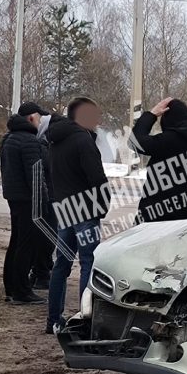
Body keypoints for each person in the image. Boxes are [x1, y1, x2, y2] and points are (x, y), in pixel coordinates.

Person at [47, 97, 110, 334]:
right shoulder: (82, 140)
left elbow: (51, 175)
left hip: (64, 208)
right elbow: (97, 178)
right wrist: (102, 206)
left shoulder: (55, 139)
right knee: (88, 264)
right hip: (85, 210)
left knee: (61, 264)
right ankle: (84, 321)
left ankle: (53, 319)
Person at [0, 103, 50, 305]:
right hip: (29, 200)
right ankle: (22, 291)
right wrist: (43, 203)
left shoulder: (9, 139)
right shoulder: (29, 141)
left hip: (14, 197)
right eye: (39, 118)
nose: (40, 122)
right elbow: (35, 176)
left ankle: (11, 287)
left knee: (16, 242)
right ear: (31, 118)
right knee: (26, 245)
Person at [30, 107, 56, 290]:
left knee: (46, 236)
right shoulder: (42, 144)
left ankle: (40, 271)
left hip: (48, 194)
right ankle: (41, 272)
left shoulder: (42, 142)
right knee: (47, 236)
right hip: (48, 195)